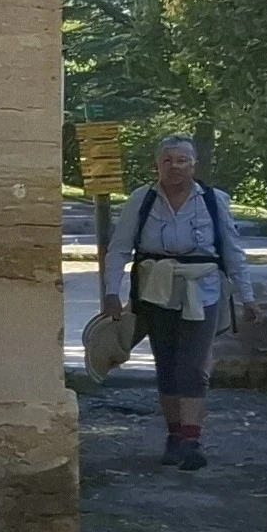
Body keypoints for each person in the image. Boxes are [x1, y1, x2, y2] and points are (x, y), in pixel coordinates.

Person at [101, 133, 254, 469]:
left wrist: (248, 297)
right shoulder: (141, 201)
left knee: (195, 366)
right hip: (155, 291)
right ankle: (174, 436)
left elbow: (232, 251)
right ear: (157, 165)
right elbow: (119, 249)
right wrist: (112, 292)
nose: (175, 168)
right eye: (167, 160)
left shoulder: (214, 201)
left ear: (193, 165)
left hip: (204, 290)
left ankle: (191, 439)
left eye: (182, 160)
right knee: (167, 365)